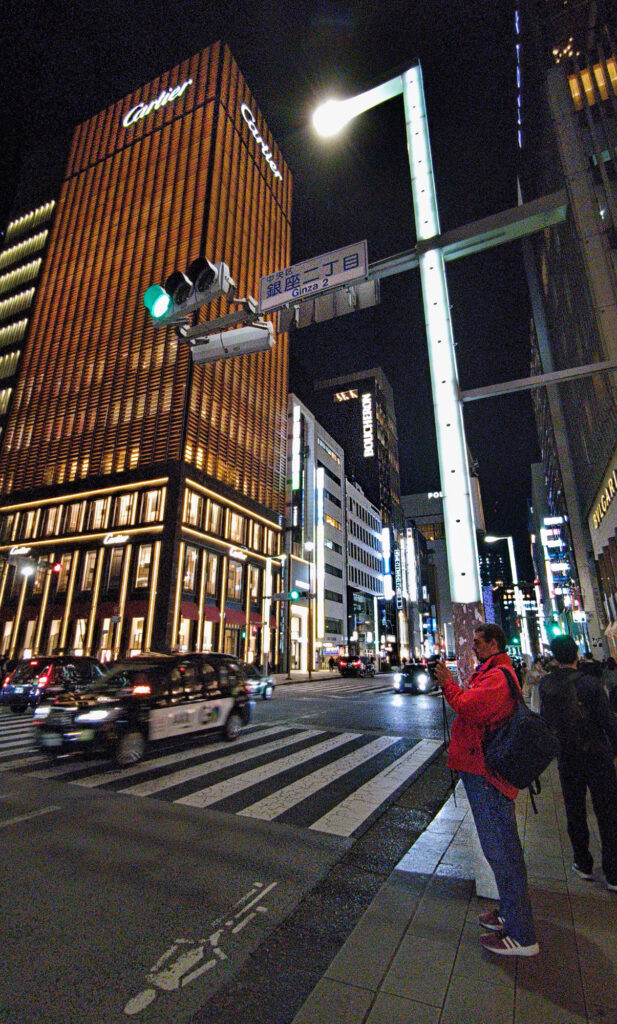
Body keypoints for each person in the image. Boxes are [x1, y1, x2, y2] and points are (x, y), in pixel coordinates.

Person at [435, 622, 539, 957]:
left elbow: (469, 707)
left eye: (479, 642)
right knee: (499, 849)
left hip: (488, 775)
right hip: (482, 770)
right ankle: (509, 914)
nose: (474, 647)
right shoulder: (493, 671)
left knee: (502, 852)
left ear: (494, 644)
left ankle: (522, 936)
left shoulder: (497, 676)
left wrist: (449, 686)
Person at [539, 635, 617, 892]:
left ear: (554, 656)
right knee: (607, 813)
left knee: (575, 811)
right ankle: (613, 872)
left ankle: (583, 864)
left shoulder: (546, 685)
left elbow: (546, 721)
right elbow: (608, 722)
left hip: (567, 756)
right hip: (597, 755)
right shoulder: (592, 684)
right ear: (576, 654)